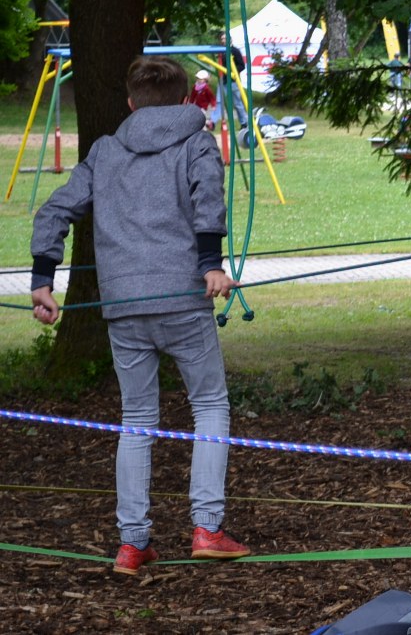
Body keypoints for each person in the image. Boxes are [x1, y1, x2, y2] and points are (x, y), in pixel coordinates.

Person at [29, 56, 250, 576]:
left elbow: (53, 211)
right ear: (185, 101)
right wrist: (210, 266)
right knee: (211, 407)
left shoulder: (105, 152)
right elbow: (209, 203)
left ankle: (133, 543)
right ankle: (206, 529)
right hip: (180, 301)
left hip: (124, 306)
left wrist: (43, 279)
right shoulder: (196, 141)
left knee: (137, 422)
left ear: (131, 103)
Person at [214, 33, 249, 129]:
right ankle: (214, 122)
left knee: (237, 103)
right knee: (219, 101)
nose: (223, 40)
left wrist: (232, 71)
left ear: (230, 40)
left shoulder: (235, 51)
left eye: (225, 38)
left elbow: (242, 65)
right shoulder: (221, 51)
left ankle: (244, 123)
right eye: (222, 39)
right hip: (222, 80)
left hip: (233, 80)